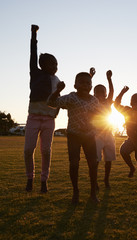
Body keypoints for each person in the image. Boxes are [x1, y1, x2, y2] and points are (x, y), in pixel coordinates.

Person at [47, 71, 100, 204]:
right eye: (81, 82)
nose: (85, 85)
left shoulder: (94, 100)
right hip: (74, 135)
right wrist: (57, 90)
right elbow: (51, 102)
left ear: (91, 86)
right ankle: (75, 192)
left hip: (89, 136)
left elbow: (100, 115)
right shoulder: (71, 98)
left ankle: (93, 194)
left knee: (93, 164)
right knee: (74, 163)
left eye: (88, 83)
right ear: (75, 85)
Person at [24, 24, 60, 193]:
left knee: (46, 150)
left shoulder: (57, 80)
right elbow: (32, 53)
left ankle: (43, 181)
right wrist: (33, 34)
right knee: (28, 150)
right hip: (33, 117)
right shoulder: (35, 73)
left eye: (56, 64)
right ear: (42, 65)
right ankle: (29, 179)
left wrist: (56, 112)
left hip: (48, 119)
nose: (55, 66)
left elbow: (58, 99)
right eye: (52, 63)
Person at [92, 68, 115, 189]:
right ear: (94, 93)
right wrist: (90, 77)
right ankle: (95, 181)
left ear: (105, 94)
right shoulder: (93, 102)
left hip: (108, 133)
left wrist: (109, 79)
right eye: (97, 92)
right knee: (96, 159)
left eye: (102, 92)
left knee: (109, 159)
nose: (100, 93)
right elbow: (86, 93)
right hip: (96, 134)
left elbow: (112, 91)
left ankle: (106, 180)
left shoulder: (108, 102)